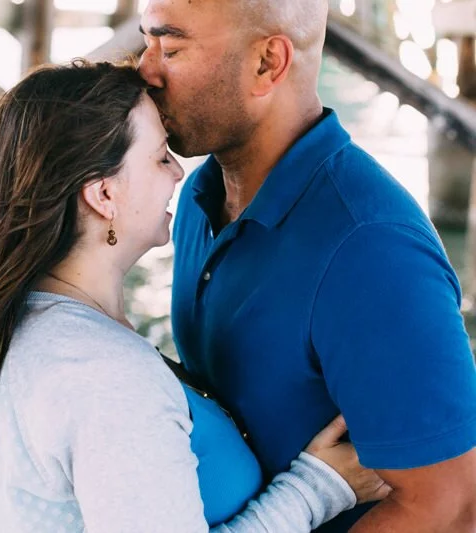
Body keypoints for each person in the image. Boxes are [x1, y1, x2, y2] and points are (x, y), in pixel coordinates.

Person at [0, 60, 388, 532]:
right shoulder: (102, 373)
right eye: (159, 157)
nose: (178, 172)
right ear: (104, 195)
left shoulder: (10, 328)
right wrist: (317, 488)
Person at [138, 0, 476, 531]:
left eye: (171, 47)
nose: (145, 68)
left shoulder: (371, 248)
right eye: (145, 40)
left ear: (268, 63)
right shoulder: (196, 202)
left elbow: (451, 506)